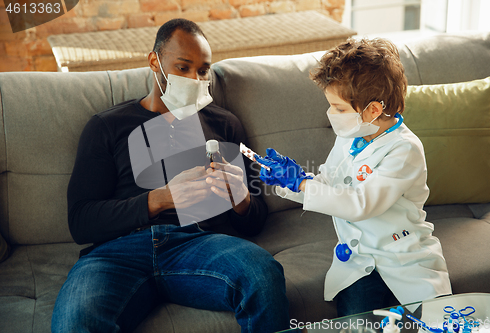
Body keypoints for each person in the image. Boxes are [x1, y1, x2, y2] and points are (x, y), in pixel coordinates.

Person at [51, 18, 289, 333]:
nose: (194, 78)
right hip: (115, 255)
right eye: (182, 68)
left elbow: (255, 221)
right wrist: (160, 198)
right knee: (76, 322)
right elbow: (81, 222)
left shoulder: (223, 125)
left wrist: (241, 199)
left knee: (262, 274)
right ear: (155, 62)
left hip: (195, 245)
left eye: (203, 70)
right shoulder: (107, 126)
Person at [255, 38, 452, 317]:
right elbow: (327, 184)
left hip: (404, 259)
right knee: (355, 321)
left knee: (436, 320)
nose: (330, 114)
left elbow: (361, 204)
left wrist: (301, 184)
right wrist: (291, 182)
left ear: (372, 110)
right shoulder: (350, 137)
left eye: (339, 108)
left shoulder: (404, 149)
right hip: (359, 262)